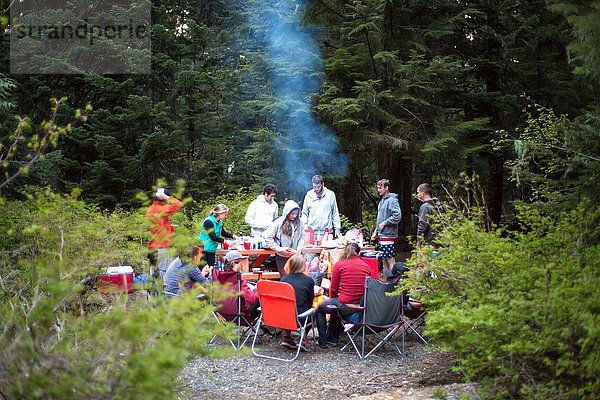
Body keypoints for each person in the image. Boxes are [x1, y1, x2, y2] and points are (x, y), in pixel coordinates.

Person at [314, 243, 371, 348]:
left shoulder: (339, 265)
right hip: (361, 305)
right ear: (358, 253)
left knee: (320, 308)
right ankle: (332, 339)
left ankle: (322, 341)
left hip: (345, 304)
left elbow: (334, 288)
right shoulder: (366, 267)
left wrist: (332, 298)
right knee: (335, 308)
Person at [145, 187, 184, 278]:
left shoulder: (152, 209)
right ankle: (163, 292)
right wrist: (167, 197)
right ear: (162, 199)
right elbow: (179, 205)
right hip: (162, 247)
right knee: (165, 275)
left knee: (155, 275)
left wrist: (169, 229)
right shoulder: (160, 209)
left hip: (154, 247)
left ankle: (154, 292)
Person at [279, 254, 315, 351]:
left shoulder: (283, 279)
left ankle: (287, 336)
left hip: (282, 318)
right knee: (313, 312)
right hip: (300, 318)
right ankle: (302, 338)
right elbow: (310, 300)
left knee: (287, 307)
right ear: (303, 266)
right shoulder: (308, 280)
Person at [212, 250, 260, 321]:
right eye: (241, 263)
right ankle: (267, 323)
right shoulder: (238, 279)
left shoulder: (218, 275)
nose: (242, 265)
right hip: (242, 316)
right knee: (260, 295)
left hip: (223, 314)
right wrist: (258, 289)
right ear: (234, 264)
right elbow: (253, 300)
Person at [263, 199, 305, 276]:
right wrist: (279, 248)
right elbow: (267, 236)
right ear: (287, 212)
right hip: (282, 255)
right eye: (292, 214)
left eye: (296, 214)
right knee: (285, 277)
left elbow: (302, 236)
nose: (294, 216)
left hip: (295, 255)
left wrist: (299, 249)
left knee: (297, 277)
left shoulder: (300, 223)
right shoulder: (278, 223)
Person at [370, 179, 401, 277]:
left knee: (390, 259)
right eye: (377, 188)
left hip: (389, 235)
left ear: (386, 188)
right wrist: (376, 232)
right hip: (381, 235)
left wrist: (385, 223)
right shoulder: (381, 202)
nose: (378, 190)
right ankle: (386, 283)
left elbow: (397, 216)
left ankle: (395, 283)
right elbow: (380, 221)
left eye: (380, 188)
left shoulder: (392, 200)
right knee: (384, 260)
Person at [301, 174, 342, 242]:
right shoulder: (308, 196)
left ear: (323, 184)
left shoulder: (330, 195)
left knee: (326, 252)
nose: (317, 189)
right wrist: (304, 225)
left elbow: (335, 213)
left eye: (318, 186)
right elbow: (304, 213)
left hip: (327, 232)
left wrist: (337, 228)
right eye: (314, 187)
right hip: (312, 232)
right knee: (311, 252)